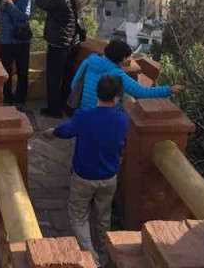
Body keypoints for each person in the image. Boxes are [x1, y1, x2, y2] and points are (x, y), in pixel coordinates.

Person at [43, 74, 128, 266]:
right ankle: (104, 253)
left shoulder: (84, 116)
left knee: (78, 216)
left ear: (97, 93)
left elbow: (66, 131)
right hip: (109, 177)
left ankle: (91, 257)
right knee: (103, 216)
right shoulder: (122, 120)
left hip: (83, 177)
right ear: (116, 97)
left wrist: (52, 133)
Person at [35, 0, 93, 118]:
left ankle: (54, 110)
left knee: (53, 77)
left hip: (58, 44)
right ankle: (65, 104)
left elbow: (40, 2)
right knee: (69, 75)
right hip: (74, 42)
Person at [71, 39, 184, 110]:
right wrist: (169, 89)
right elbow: (141, 92)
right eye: (127, 57)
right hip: (106, 117)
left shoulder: (90, 61)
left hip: (84, 111)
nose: (128, 60)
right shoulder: (117, 74)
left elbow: (74, 83)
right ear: (121, 58)